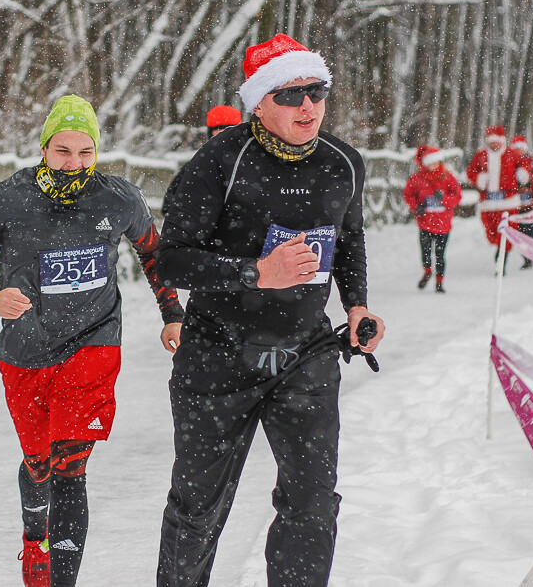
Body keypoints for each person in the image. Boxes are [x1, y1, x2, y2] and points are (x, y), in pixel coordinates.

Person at [155, 33, 385, 587]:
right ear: (258, 102)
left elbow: (348, 240)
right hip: (218, 357)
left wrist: (357, 307)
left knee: (311, 504)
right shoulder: (219, 162)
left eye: (316, 91)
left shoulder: (342, 164)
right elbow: (173, 261)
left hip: (305, 353)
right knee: (198, 507)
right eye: (289, 95)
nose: (307, 106)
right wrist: (257, 272)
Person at [0, 94, 184, 587]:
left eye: (86, 153)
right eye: (63, 151)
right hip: (26, 349)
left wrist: (172, 314)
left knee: (70, 465)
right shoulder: (5, 198)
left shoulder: (117, 198)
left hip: (94, 343)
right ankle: (36, 540)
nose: (75, 163)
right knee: (38, 464)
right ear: (44, 148)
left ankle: (62, 580)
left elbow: (153, 254)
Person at [403, 144, 462, 292]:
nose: (432, 166)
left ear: (440, 162)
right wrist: (416, 206)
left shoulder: (448, 177)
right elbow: (408, 194)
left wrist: (444, 199)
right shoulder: (417, 178)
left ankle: (440, 282)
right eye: (429, 163)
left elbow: (457, 197)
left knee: (440, 255)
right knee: (426, 253)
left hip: (443, 224)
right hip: (425, 223)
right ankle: (427, 271)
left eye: (435, 163)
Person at [466, 126, 514, 264]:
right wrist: (479, 178)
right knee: (492, 233)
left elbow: (523, 166)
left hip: (508, 203)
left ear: (502, 141)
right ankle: (500, 251)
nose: (494, 144)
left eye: (497, 141)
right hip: (488, 203)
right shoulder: (481, 156)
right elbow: (471, 172)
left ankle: (501, 258)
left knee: (505, 234)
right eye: (492, 142)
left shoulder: (511, 155)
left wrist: (522, 175)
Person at [501, 135, 533, 269]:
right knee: (518, 232)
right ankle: (526, 257)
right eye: (516, 150)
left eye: (520, 149)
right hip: (515, 203)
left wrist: (532, 185)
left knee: (530, 231)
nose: (518, 152)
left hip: (530, 202)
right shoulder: (508, 162)